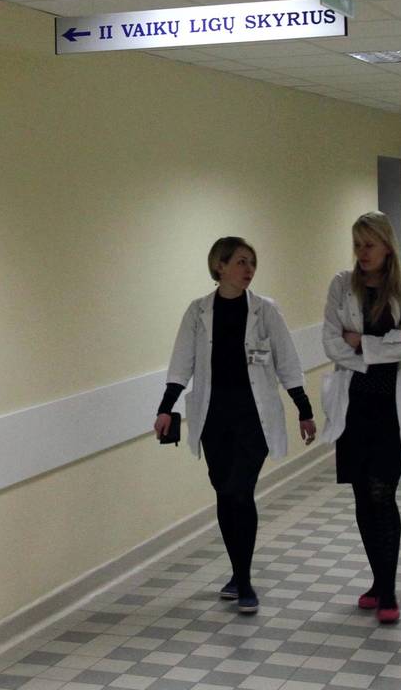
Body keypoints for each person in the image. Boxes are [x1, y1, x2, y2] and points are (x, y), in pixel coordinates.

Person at [155, 236, 316, 614]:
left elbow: (287, 362)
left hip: (253, 419)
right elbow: (181, 364)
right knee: (225, 494)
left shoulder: (265, 310)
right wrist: (165, 409)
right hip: (214, 419)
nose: (249, 269)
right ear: (220, 266)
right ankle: (237, 571)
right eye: (241, 262)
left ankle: (244, 583)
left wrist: (304, 410)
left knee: (240, 492)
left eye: (252, 262)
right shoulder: (198, 312)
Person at [319, 211, 401, 624]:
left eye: (369, 245)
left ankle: (389, 590)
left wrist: (360, 343)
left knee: (383, 493)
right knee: (363, 496)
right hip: (355, 407)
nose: (362, 253)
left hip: (392, 410)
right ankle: (378, 582)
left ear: (387, 246)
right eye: (357, 245)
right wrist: (380, 346)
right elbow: (331, 343)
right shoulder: (341, 285)